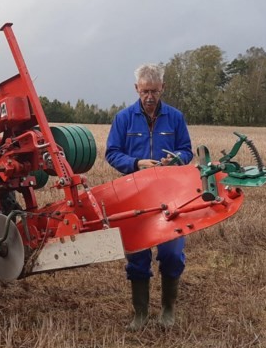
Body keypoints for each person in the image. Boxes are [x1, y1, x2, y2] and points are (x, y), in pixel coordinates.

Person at [105, 63, 193, 330]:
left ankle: (168, 309)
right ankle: (140, 313)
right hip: (135, 198)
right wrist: (136, 164)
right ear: (136, 89)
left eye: (154, 90)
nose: (150, 96)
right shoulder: (123, 118)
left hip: (169, 197)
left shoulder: (175, 118)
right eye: (145, 91)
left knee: (172, 253)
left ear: (162, 88)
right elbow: (112, 153)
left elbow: (187, 151)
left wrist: (175, 159)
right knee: (138, 256)